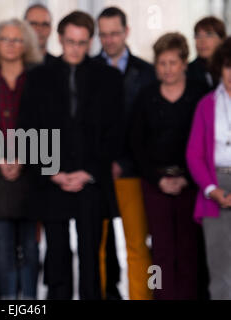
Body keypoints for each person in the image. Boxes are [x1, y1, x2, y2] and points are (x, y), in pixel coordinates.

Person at [19, 11, 123, 300]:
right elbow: (28, 127)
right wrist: (51, 171)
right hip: (53, 181)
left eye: (81, 42)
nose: (75, 48)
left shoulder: (109, 78)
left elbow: (116, 131)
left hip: (92, 180)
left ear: (90, 42)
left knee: (92, 255)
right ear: (60, 39)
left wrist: (89, 172)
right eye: (70, 42)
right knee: (57, 257)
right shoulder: (39, 77)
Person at [130, 33, 208, 300]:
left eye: (173, 62)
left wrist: (187, 177)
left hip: (192, 183)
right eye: (162, 63)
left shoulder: (200, 95)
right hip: (155, 183)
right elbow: (137, 144)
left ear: (185, 63)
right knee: (159, 249)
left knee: (189, 248)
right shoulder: (146, 96)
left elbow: (205, 142)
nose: (167, 69)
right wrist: (157, 179)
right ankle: (161, 296)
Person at [93, 6, 155, 300]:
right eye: (103, 34)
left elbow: (148, 126)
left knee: (137, 247)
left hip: (134, 171)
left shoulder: (147, 73)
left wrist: (125, 162)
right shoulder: (90, 70)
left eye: (115, 33)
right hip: (99, 173)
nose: (109, 40)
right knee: (98, 246)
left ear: (126, 32)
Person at [0, 18, 42, 300]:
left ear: (26, 44)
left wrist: (24, 159)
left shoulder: (39, 78)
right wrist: (0, 158)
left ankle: (29, 299)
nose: (11, 45)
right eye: (5, 38)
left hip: (31, 172)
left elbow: (45, 122)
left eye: (17, 39)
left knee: (29, 243)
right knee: (2, 244)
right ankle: (6, 300)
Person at [186, 37, 231, 300]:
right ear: (220, 68)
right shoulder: (206, 104)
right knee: (219, 270)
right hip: (214, 189)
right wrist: (212, 189)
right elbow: (194, 154)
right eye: (227, 66)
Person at [187, 16, 226, 90]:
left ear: (222, 39)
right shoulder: (187, 72)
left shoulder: (227, 69)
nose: (202, 41)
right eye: (197, 36)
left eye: (209, 35)